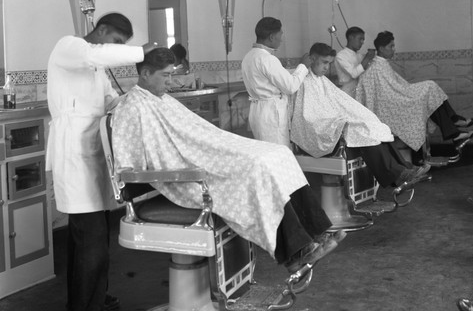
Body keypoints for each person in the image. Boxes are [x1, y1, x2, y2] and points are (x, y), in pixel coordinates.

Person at [111, 47, 346, 274]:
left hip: (202, 157)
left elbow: (196, 132)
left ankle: (316, 232)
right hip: (185, 175)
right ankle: (295, 254)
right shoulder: (132, 108)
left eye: (172, 75)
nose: (171, 83)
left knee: (279, 155)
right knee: (259, 167)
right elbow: (132, 164)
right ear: (145, 74)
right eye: (165, 76)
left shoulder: (160, 98)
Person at [46, 13, 156, 311]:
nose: (118, 48)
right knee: (91, 240)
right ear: (101, 30)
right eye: (117, 41)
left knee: (87, 238)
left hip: (95, 152)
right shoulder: (68, 47)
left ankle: (88, 298)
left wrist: (140, 94)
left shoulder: (96, 69)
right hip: (73, 153)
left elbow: (111, 101)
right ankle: (87, 304)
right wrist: (141, 52)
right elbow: (96, 54)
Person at [290, 43, 429, 193]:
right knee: (361, 130)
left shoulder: (321, 79)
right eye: (324, 62)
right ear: (311, 59)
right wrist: (337, 122)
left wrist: (360, 115)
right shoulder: (303, 81)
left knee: (373, 124)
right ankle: (398, 174)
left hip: (334, 122)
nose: (326, 68)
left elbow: (338, 103)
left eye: (329, 64)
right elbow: (307, 116)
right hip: (319, 131)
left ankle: (404, 169)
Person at [355, 31, 473, 153]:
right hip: (393, 105)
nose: (394, 49)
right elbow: (387, 92)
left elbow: (395, 87)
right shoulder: (375, 67)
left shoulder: (382, 64)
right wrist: (408, 94)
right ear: (381, 48)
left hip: (400, 98)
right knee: (429, 88)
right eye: (391, 46)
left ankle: (455, 132)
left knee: (430, 96)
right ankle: (454, 124)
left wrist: (408, 92)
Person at [242, 17, 311, 147]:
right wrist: (303, 66)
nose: (281, 39)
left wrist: (295, 70)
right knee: (278, 152)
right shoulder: (267, 59)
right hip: (271, 113)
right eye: (280, 35)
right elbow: (290, 86)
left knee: (265, 151)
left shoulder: (249, 56)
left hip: (258, 111)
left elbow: (275, 76)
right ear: (272, 36)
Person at [334, 26, 375, 97]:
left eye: (363, 40)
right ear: (351, 37)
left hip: (360, 91)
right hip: (347, 93)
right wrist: (367, 58)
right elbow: (354, 74)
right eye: (360, 39)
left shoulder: (360, 56)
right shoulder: (341, 56)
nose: (362, 42)